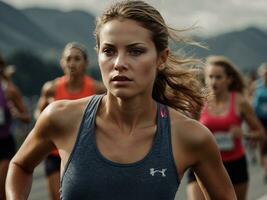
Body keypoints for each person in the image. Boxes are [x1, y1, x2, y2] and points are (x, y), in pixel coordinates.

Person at [6, 1, 236, 199]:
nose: (119, 63)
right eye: (109, 51)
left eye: (135, 51)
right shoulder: (60, 118)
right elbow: (20, 165)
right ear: (98, 54)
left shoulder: (190, 136)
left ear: (161, 58)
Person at [34, 42, 106, 200]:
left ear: (86, 63)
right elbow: (39, 114)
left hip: (84, 153)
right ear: (62, 63)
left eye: (77, 59)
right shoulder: (51, 88)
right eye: (68, 59)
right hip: (55, 152)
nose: (72, 63)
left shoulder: (98, 89)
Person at [187, 55, 265, 200]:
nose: (213, 81)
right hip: (203, 164)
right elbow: (188, 130)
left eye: (218, 77)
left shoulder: (240, 102)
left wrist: (244, 134)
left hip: (234, 165)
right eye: (210, 77)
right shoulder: (199, 102)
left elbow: (261, 133)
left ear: (229, 79)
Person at [0, 54, 30, 199]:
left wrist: (17, 114)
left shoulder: (8, 90)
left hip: (4, 143)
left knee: (2, 191)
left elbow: (27, 117)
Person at [251, 62, 267, 183]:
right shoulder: (258, 87)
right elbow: (253, 103)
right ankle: (265, 169)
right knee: (262, 148)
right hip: (260, 120)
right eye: (264, 74)